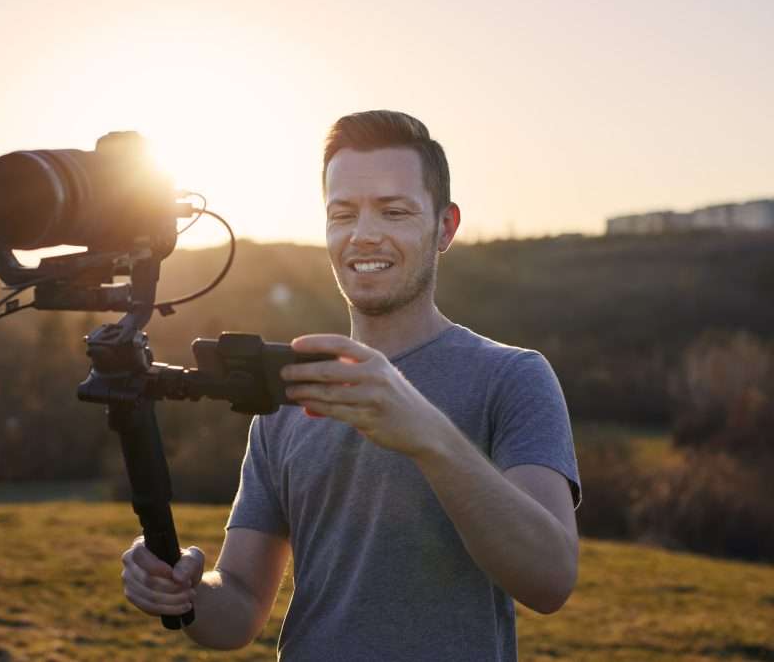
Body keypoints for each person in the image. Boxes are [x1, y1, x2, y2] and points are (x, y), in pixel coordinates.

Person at [121, 110, 581, 660]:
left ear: (445, 227)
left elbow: (550, 580)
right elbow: (239, 609)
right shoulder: (288, 394)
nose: (364, 235)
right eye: (343, 214)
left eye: (394, 211)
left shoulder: (512, 377)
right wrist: (185, 590)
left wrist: (426, 434)